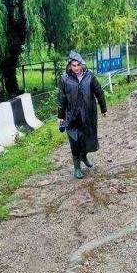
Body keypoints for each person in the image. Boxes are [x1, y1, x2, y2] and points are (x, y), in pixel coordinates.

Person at [58, 51, 107, 179]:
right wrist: (61, 116)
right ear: (70, 65)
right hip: (72, 116)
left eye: (78, 65)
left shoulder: (89, 76)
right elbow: (61, 98)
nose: (76, 68)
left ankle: (84, 157)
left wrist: (103, 108)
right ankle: (77, 167)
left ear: (82, 64)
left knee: (86, 138)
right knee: (74, 141)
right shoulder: (65, 79)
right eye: (73, 65)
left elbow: (99, 92)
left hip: (88, 114)